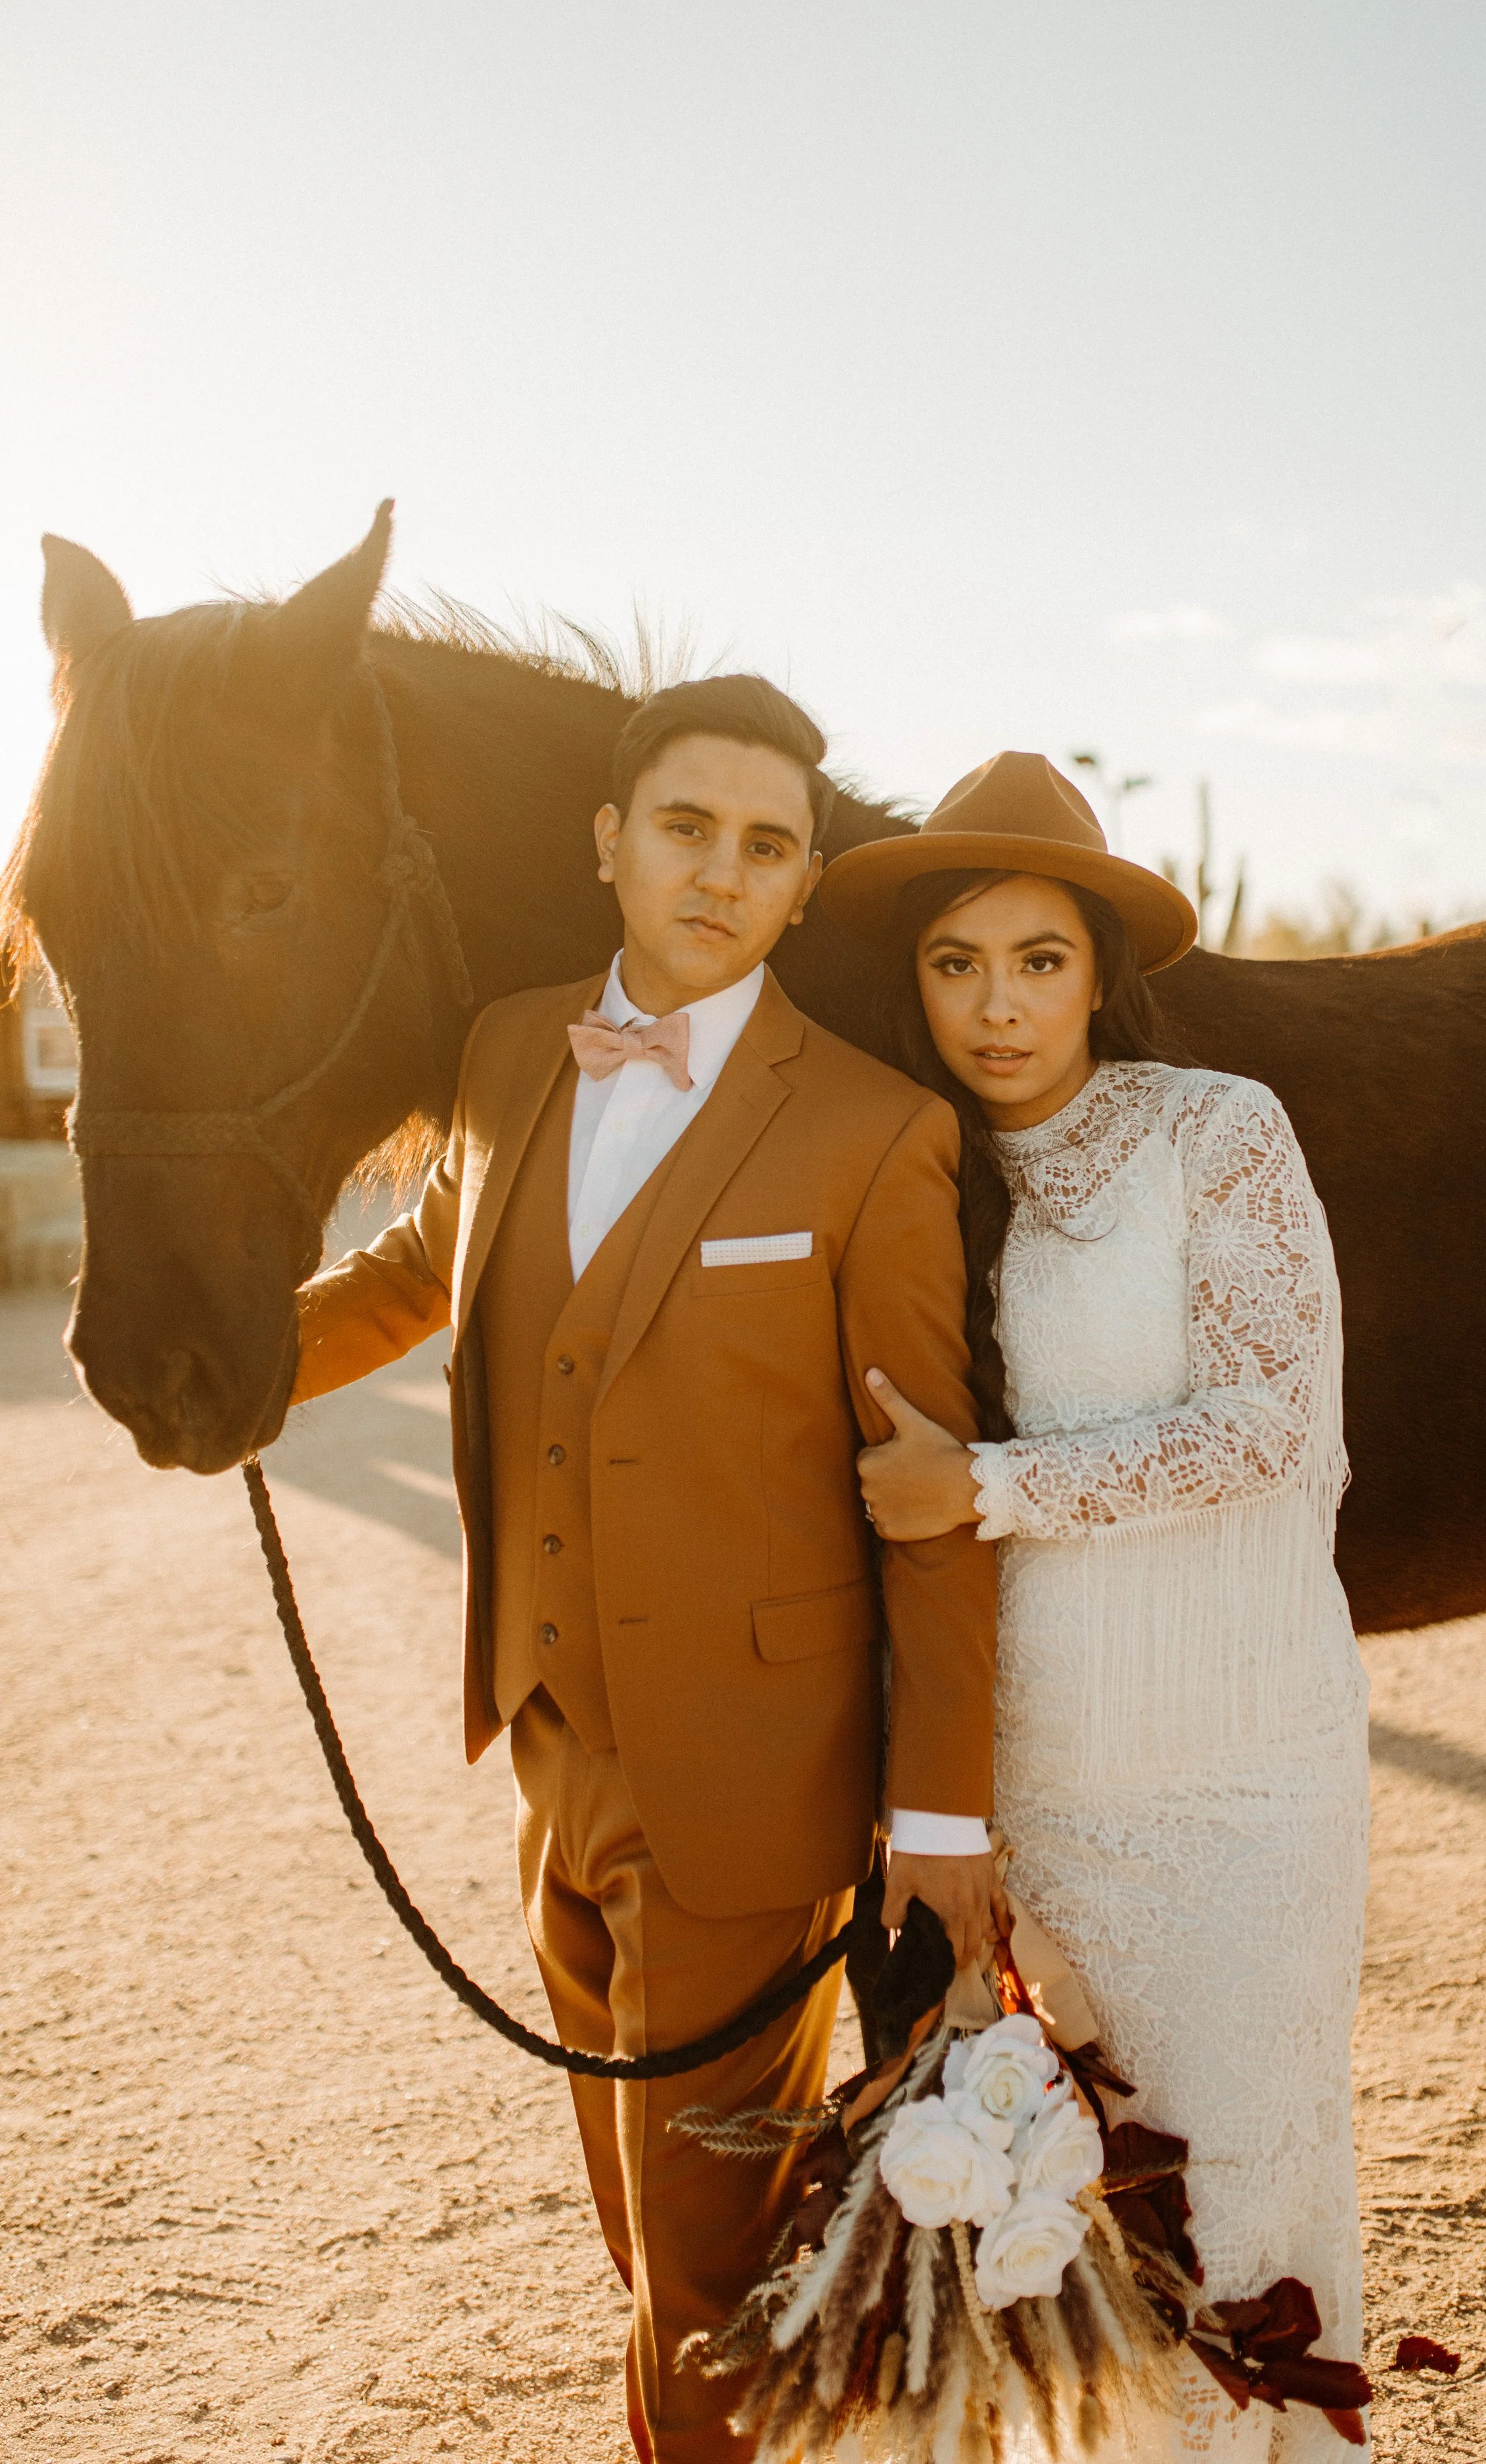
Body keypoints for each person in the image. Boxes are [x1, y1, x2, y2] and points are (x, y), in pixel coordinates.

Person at [284, 677, 1002, 2464]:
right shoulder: (509, 1047)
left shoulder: (868, 1132)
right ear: (607, 843)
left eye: (765, 845)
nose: (718, 872)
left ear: (805, 881)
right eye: (684, 826)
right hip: (549, 1744)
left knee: (704, 2290)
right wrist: (223, 1364)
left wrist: (939, 1818)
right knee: (652, 2242)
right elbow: (415, 1272)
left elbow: (923, 1504)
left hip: (749, 1790)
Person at [827, 752, 1371, 2463]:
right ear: (911, 979)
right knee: (1078, 2207)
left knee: (1232, 2178)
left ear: (1096, 966)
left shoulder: (1216, 1127)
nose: (999, 1007)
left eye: (1038, 959)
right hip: (1051, 1780)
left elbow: (1271, 1420)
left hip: (1240, 1766)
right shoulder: (909, 1173)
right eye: (957, 963)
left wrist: (984, 1482)